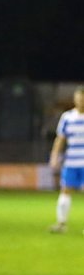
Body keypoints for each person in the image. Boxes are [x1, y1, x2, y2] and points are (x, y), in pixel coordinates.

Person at [48, 87, 84, 234]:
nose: (81, 101)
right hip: (71, 162)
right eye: (79, 98)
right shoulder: (67, 117)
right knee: (65, 191)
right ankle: (61, 224)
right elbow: (60, 139)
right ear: (75, 99)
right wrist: (54, 156)